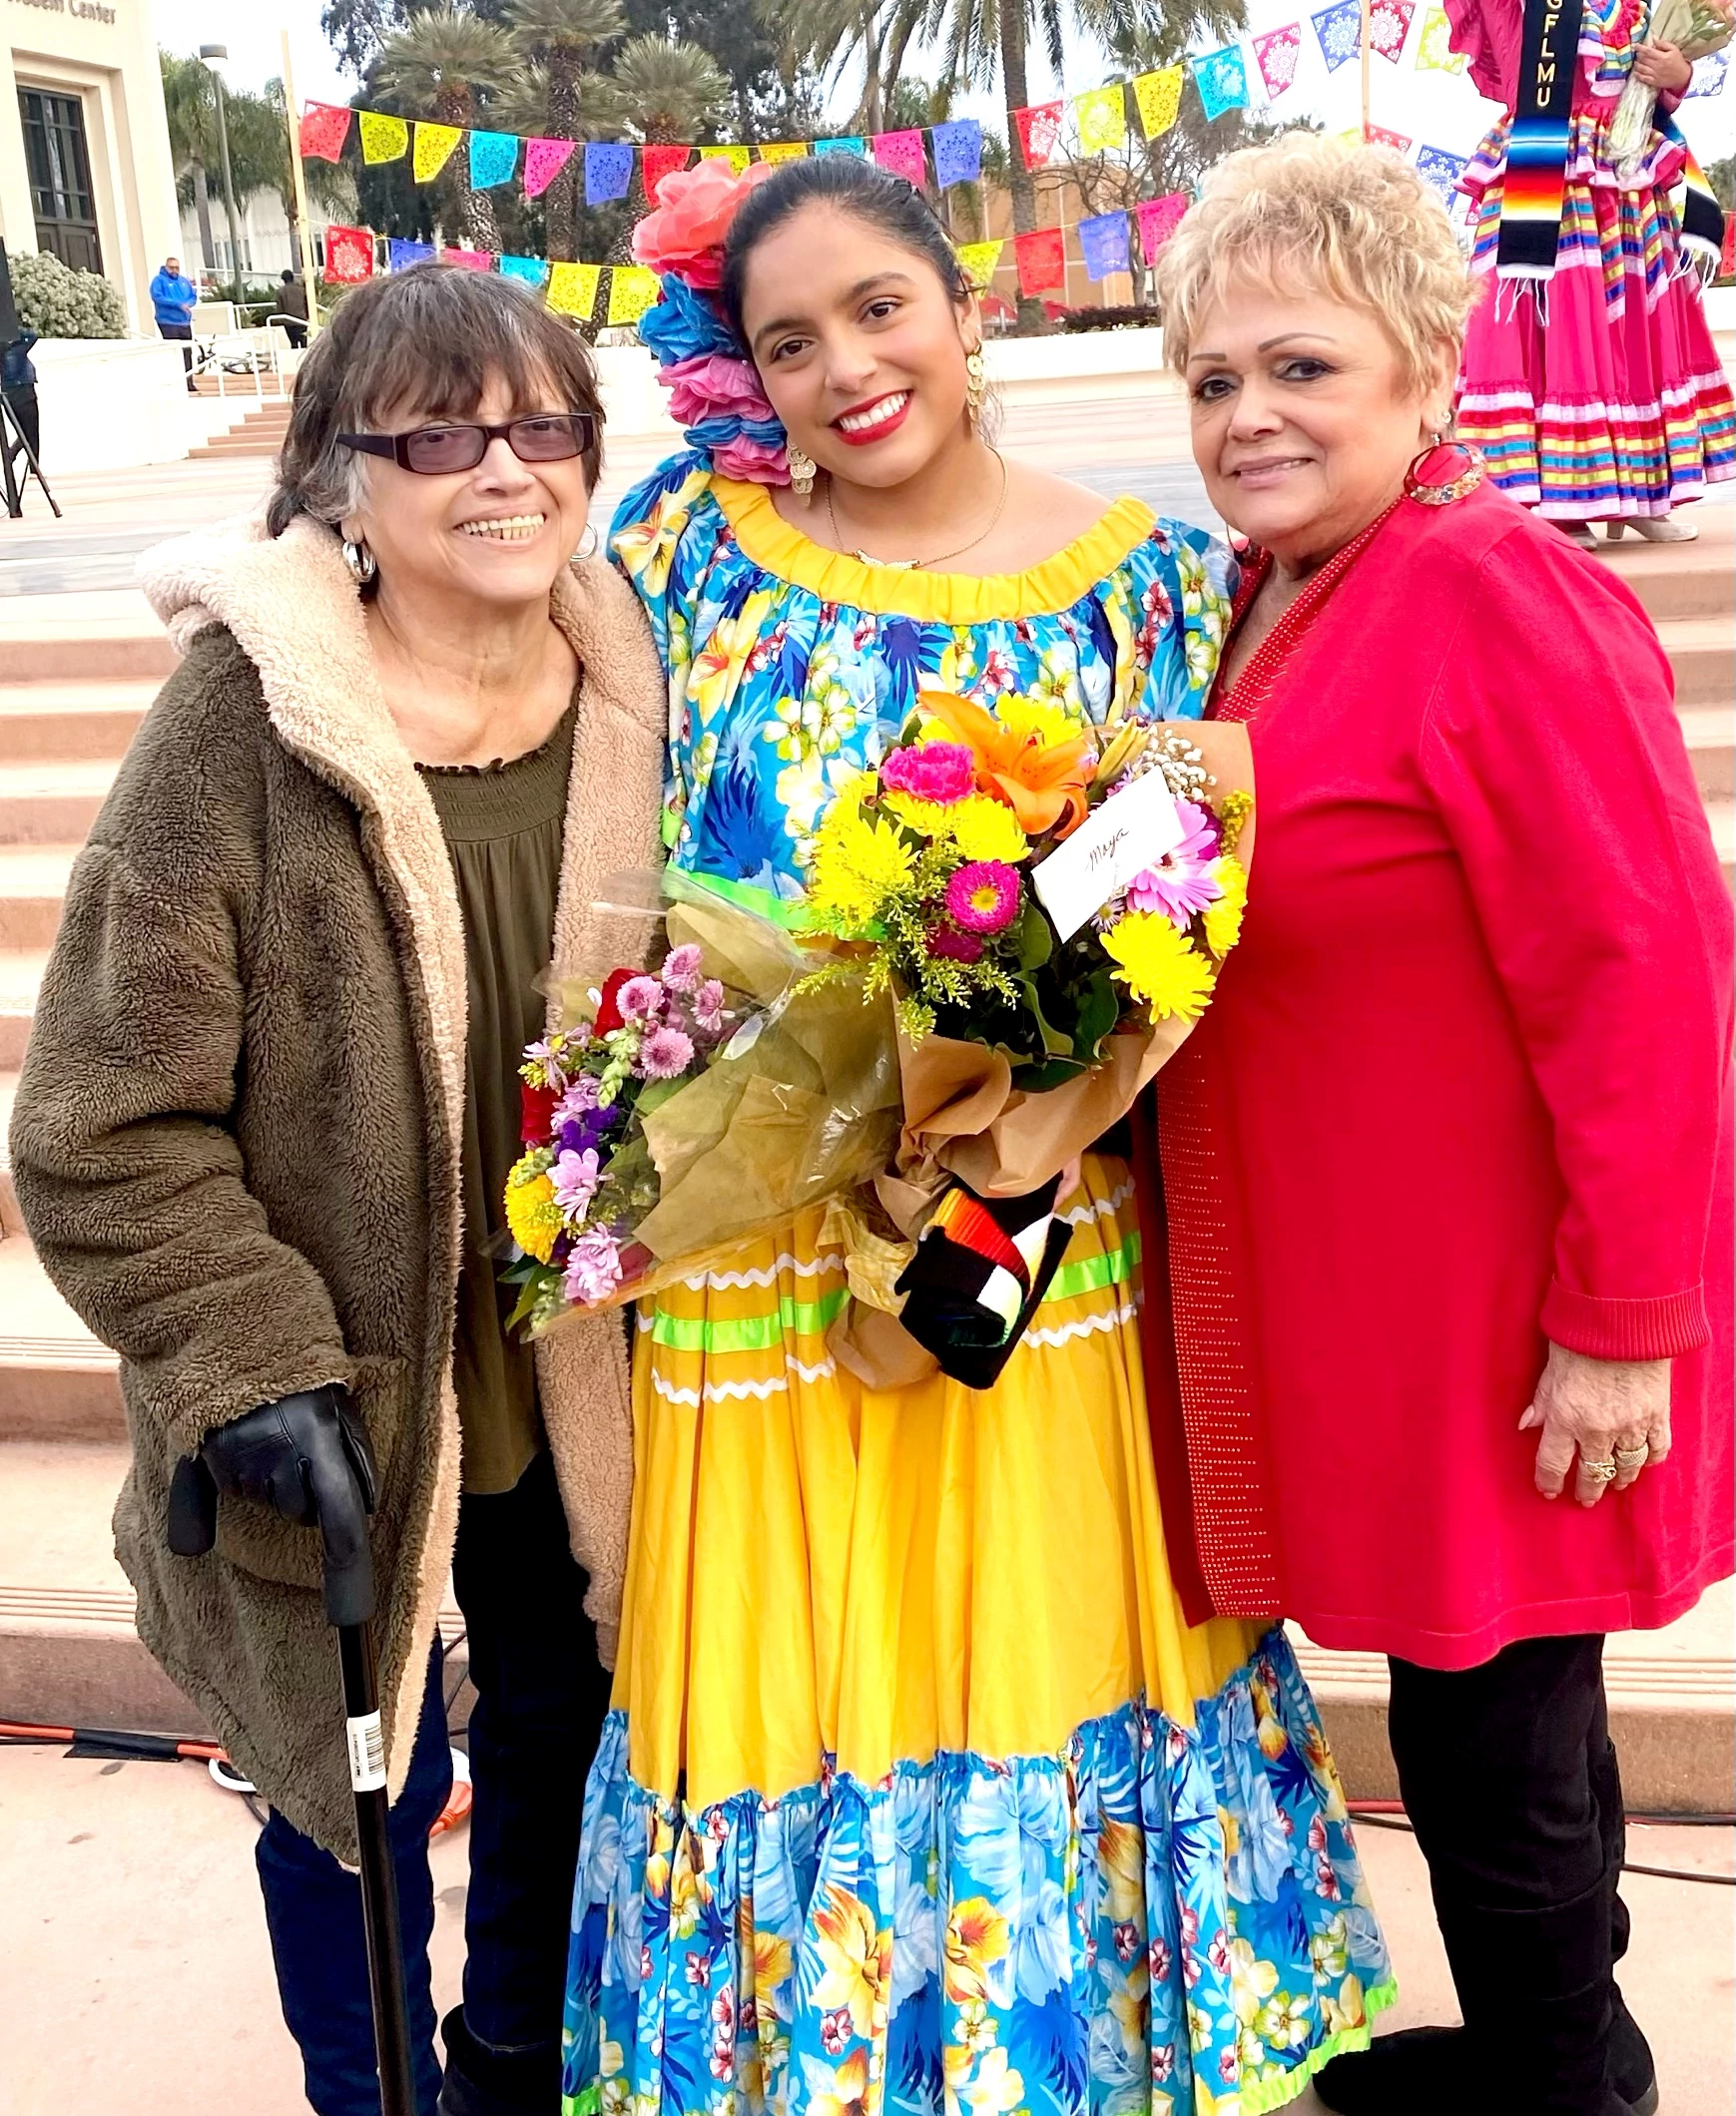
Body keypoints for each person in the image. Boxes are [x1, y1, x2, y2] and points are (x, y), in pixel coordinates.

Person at [560, 153, 1394, 2116]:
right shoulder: (679, 557)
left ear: (964, 303)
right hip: (749, 1285)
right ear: (738, 376)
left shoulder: (1161, 582)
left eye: (875, 308)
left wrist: (1021, 1096)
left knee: (1042, 1670)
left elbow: (1187, 911)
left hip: (1031, 1265)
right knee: (791, 1695)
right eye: (785, 342)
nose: (844, 368)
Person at [9, 264, 669, 2116]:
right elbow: (99, 1122)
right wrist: (245, 1356)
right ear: (335, 478)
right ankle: (368, 2091)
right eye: (437, 432)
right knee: (348, 1792)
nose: (502, 471)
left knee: (563, 1735)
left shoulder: (640, 688)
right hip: (340, 1404)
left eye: (543, 425)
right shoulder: (240, 732)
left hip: (579, 1371)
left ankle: (512, 2062)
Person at [1149, 134, 1732, 2116]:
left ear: (1420, 372)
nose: (1247, 414)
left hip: (1503, 1314)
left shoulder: (1492, 592)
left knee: (1492, 1740)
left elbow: (1641, 971)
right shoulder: (1278, 592)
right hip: (1381, 1309)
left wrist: (1619, 1314)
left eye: (1299, 368)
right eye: (1213, 377)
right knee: (1496, 1706)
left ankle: (1557, 2085)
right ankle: (1561, 2049)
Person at [1450, 0, 1736, 542]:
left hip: (1625, 177)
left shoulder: (1636, 5)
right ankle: (1563, 501)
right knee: (1561, 325)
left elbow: (1651, 82)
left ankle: (1642, 491)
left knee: (1635, 327)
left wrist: (1678, 72)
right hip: (1546, 173)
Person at [150, 255, 200, 390]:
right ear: (166, 267)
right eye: (171, 267)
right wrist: (178, 305)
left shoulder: (184, 281)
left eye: (176, 267)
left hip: (184, 322)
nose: (174, 270)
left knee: (187, 353)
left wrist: (188, 304)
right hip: (167, 321)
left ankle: (189, 382)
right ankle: (176, 383)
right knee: (174, 353)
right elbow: (157, 297)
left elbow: (193, 296)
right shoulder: (159, 280)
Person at [1, 325, 39, 466]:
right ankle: (31, 466)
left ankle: (12, 455)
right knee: (31, 431)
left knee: (23, 430)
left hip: (7, 392)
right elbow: (32, 335)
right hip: (23, 388)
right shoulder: (18, 348)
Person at [278, 264, 310, 350]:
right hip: (302, 320)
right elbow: (307, 304)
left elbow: (280, 308)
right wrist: (307, 316)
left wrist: (281, 320)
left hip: (289, 321)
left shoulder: (280, 291)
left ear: (283, 279)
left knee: (293, 343)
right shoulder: (301, 289)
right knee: (304, 342)